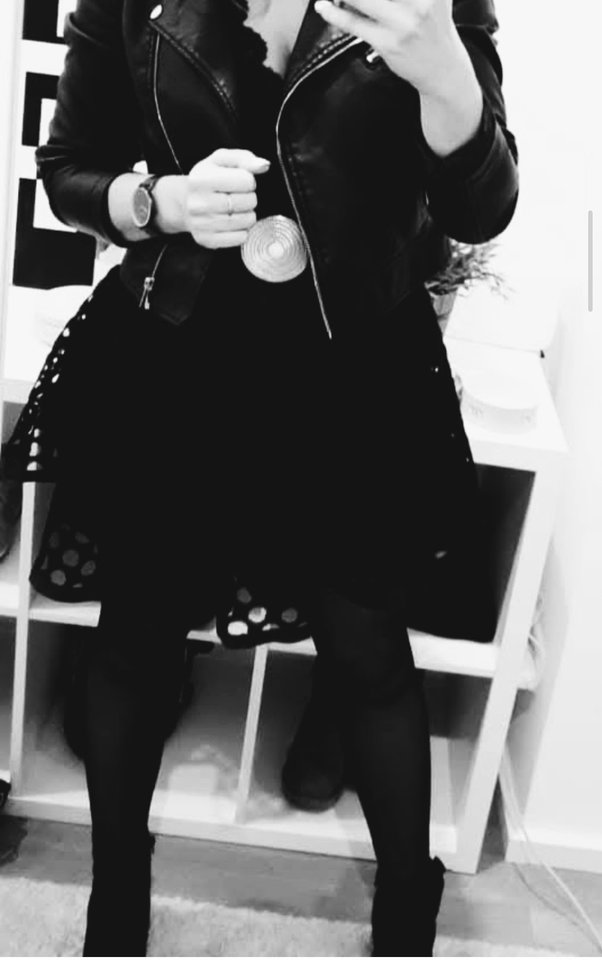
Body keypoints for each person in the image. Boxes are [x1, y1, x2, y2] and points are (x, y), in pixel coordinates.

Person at [5, 0, 518, 955]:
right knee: (135, 641)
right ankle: (117, 897)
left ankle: (408, 905)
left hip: (356, 374)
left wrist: (446, 73)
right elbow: (70, 166)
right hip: (175, 362)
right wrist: (162, 203)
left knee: (367, 652)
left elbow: (481, 207)